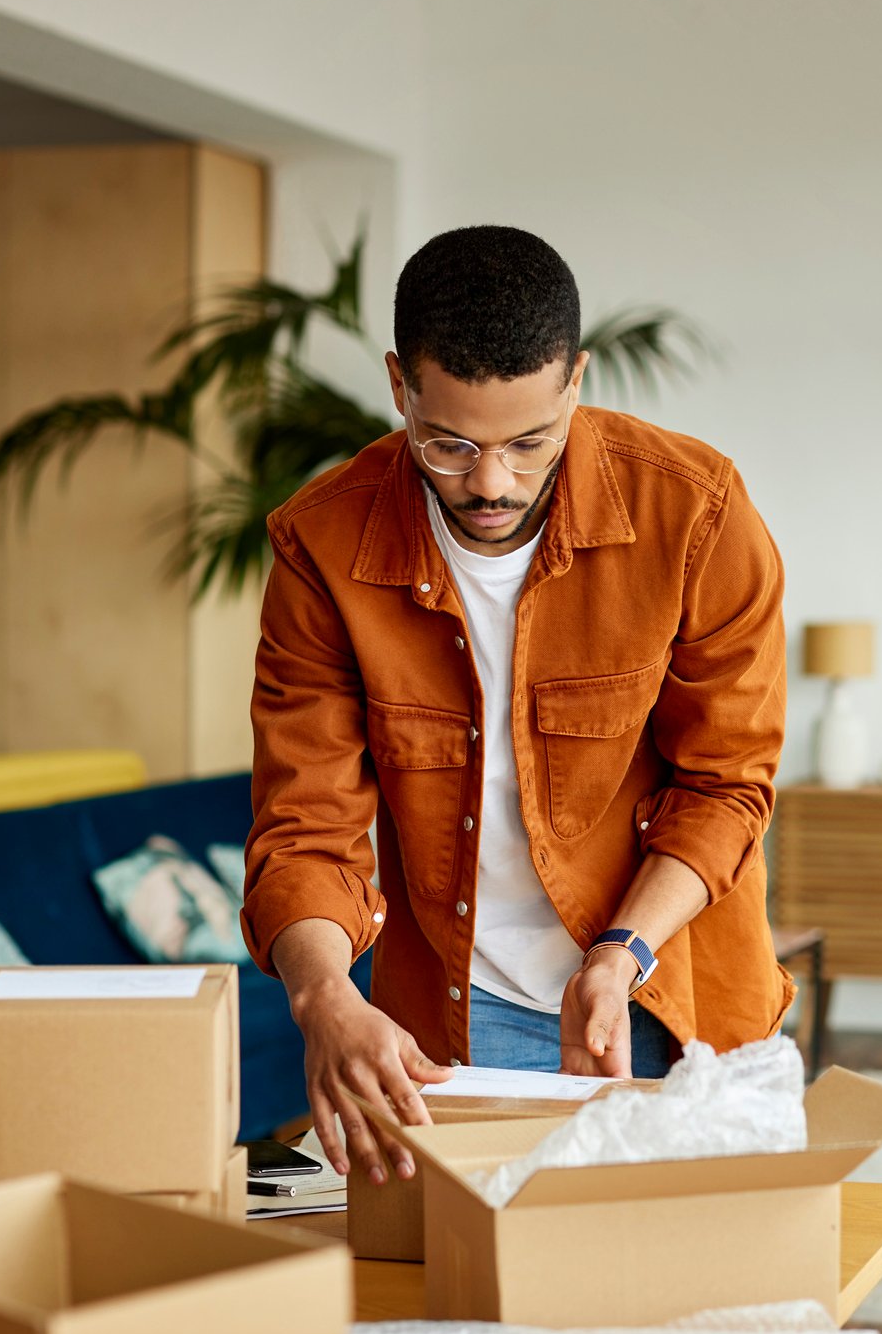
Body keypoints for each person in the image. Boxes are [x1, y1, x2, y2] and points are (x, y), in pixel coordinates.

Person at [241, 225, 792, 1183]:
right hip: (451, 1017)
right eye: (448, 443)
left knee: (680, 1306)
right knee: (474, 1314)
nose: (489, 482)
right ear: (399, 386)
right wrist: (324, 996)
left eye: (528, 442)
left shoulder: (695, 513)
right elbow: (304, 828)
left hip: (668, 986)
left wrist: (620, 956)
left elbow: (727, 783)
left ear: (574, 382)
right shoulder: (322, 547)